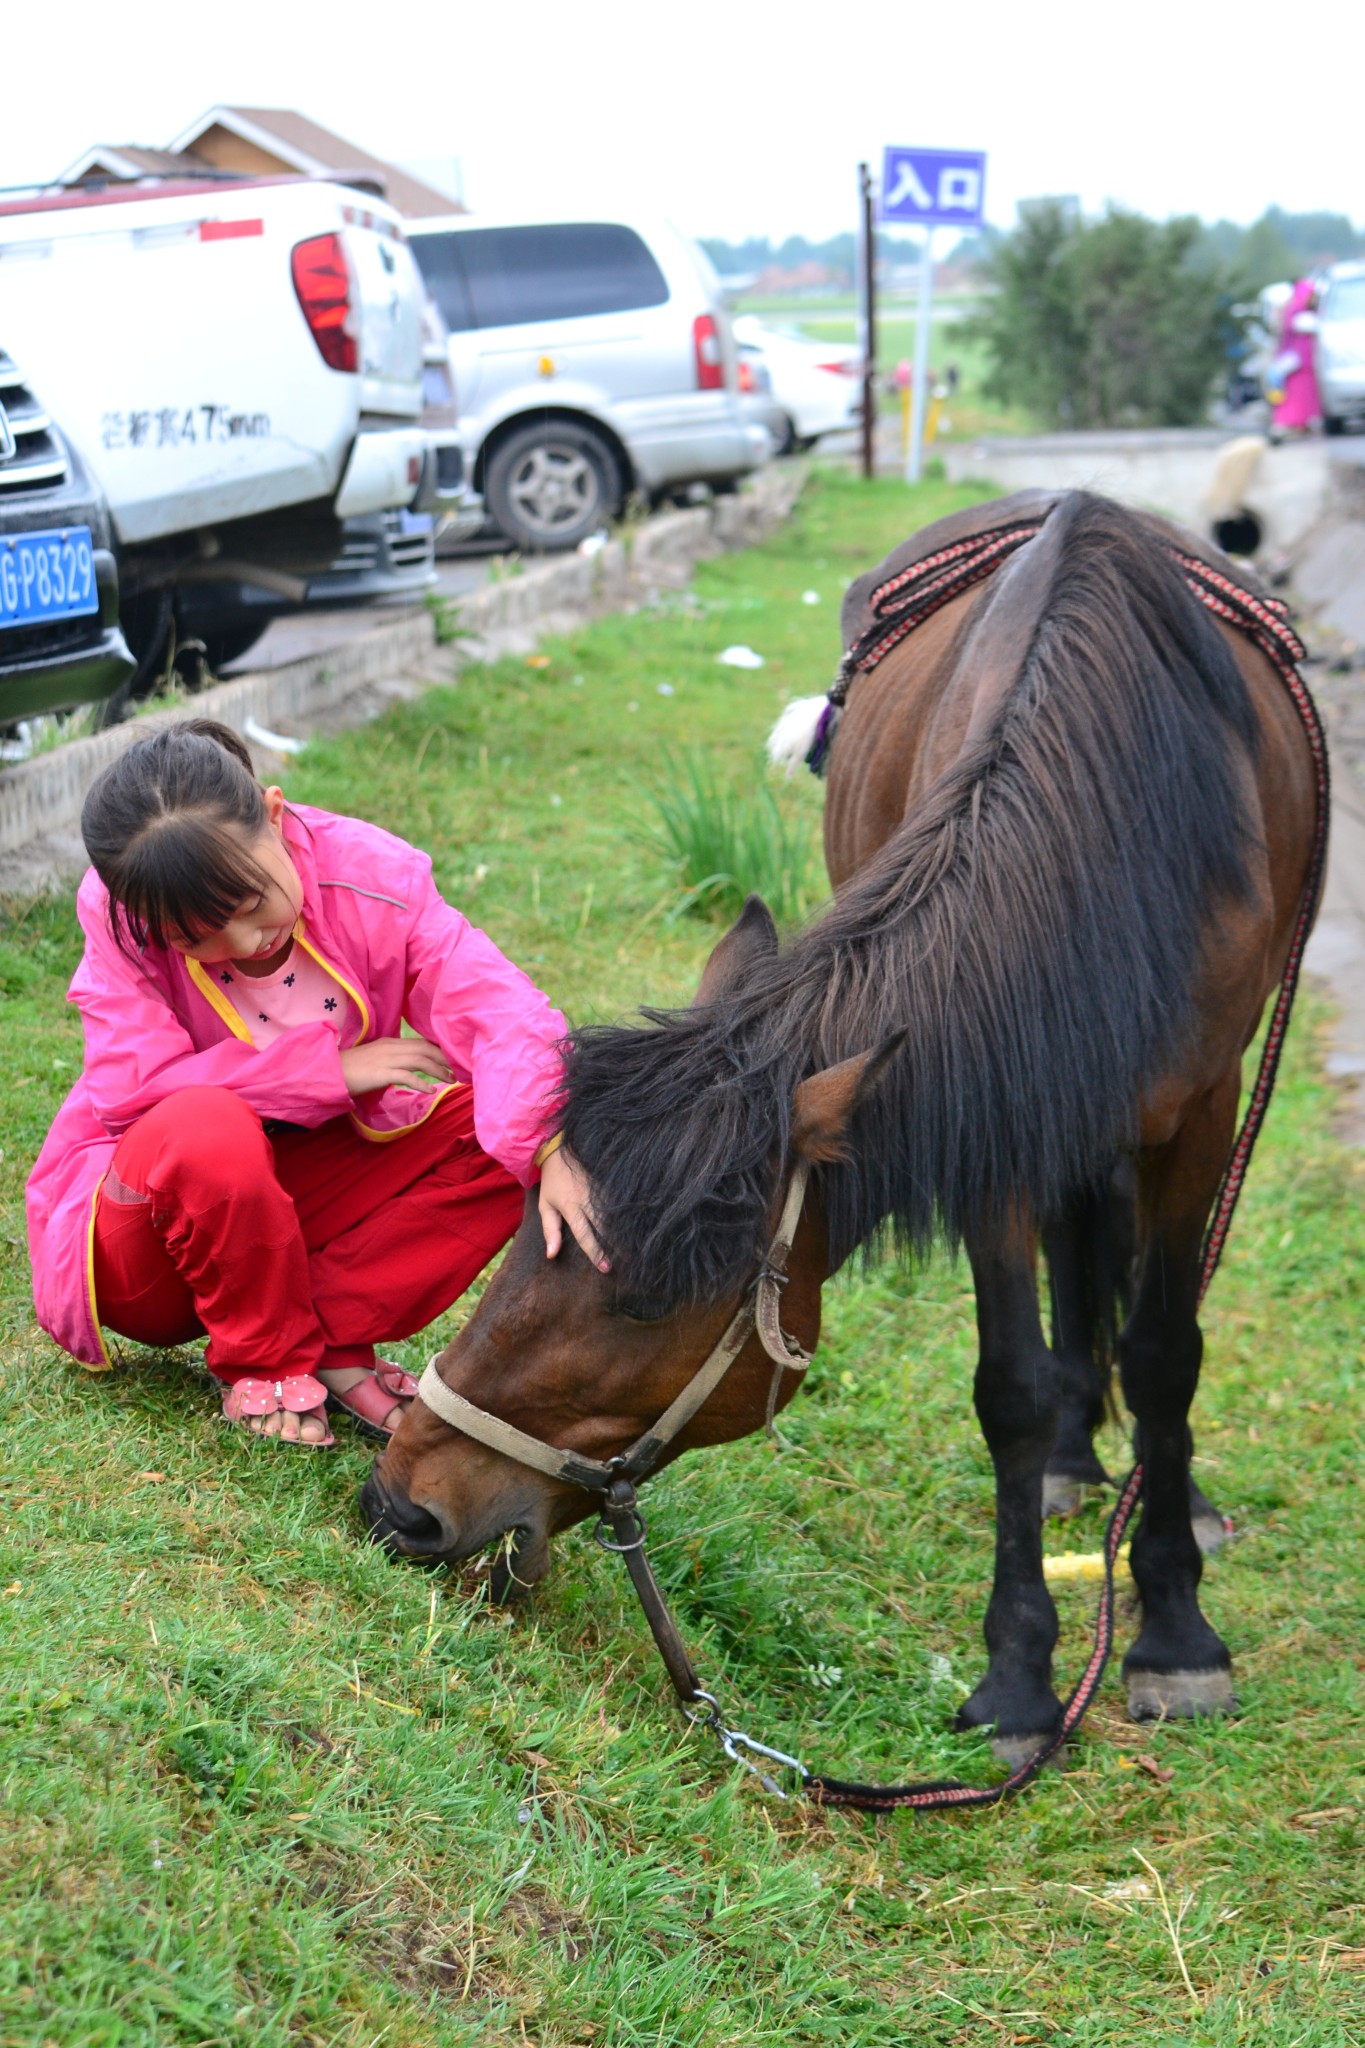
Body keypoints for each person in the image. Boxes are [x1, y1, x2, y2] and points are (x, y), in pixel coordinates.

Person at [26, 719, 604, 1447]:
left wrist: (547, 1144)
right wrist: (322, 1071)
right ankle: (264, 1360)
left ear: (273, 814)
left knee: (509, 1127)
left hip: (290, 1213)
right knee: (206, 1122)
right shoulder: (120, 912)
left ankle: (327, 1337)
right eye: (194, 939)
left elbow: (498, 1012)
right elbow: (131, 1094)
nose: (242, 944)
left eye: (247, 905)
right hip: (148, 1252)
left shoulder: (374, 877)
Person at [1269, 277, 1321, 435]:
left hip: (1304, 360)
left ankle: (1303, 423)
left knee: (1305, 391)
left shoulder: (1301, 309)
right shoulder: (1294, 309)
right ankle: (1289, 422)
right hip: (1296, 360)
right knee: (1294, 392)